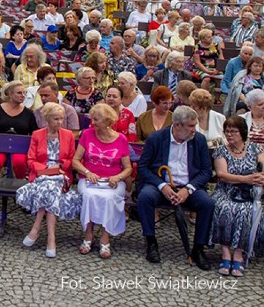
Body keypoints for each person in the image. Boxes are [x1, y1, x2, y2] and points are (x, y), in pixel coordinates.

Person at [136, 106, 214, 270]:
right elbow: (142, 168)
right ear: (177, 125)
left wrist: (189, 189)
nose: (195, 129)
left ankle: (198, 248)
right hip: (161, 185)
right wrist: (162, 185)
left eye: (195, 125)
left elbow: (206, 170)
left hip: (188, 187)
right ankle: (151, 241)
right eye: (191, 126)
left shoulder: (198, 140)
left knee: (208, 203)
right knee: (145, 197)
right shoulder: (156, 138)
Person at [16, 102, 79, 258]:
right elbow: (30, 159)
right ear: (47, 119)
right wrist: (43, 170)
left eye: (61, 119)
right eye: (56, 119)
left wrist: (60, 166)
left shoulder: (68, 135)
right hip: (41, 174)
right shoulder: (38, 134)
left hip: (61, 173)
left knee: (50, 188)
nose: (60, 122)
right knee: (49, 189)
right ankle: (51, 238)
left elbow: (71, 159)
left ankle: (36, 230)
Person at [72, 103, 133, 260]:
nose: (93, 122)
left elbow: (128, 168)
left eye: (96, 119)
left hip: (112, 182)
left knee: (109, 198)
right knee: (89, 196)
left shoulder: (121, 140)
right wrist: (87, 172)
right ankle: (88, 234)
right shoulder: (87, 134)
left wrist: (118, 177)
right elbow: (76, 161)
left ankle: (105, 236)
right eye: (92, 119)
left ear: (107, 121)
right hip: (89, 179)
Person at [211, 116, 264, 277]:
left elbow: (262, 168)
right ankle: (226, 253)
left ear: (242, 133)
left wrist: (259, 177)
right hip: (227, 190)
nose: (229, 135)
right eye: (227, 131)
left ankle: (239, 253)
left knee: (246, 210)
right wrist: (245, 179)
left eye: (233, 131)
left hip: (249, 192)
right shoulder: (221, 151)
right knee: (224, 207)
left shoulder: (256, 149)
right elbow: (222, 175)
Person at [0, 81, 37, 208]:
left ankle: (23, 192)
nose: (22, 95)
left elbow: (34, 132)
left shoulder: (29, 113)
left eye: (24, 93)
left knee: (19, 162)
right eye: (19, 93)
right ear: (10, 94)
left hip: (19, 148)